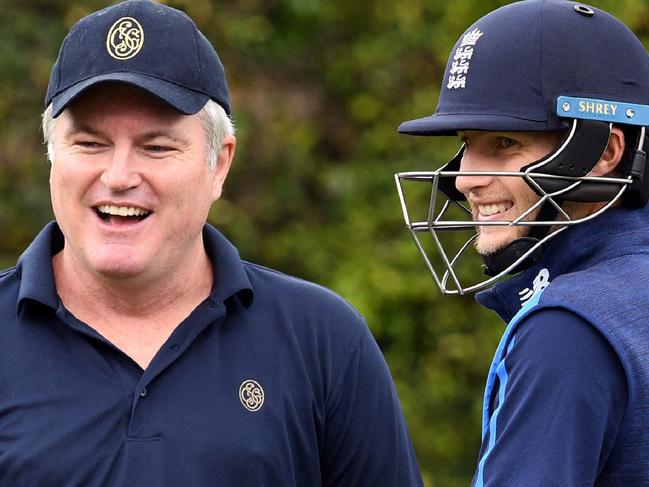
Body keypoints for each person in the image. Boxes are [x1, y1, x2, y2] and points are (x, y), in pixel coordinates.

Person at [0, 1, 423, 485]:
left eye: (156, 147)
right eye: (89, 144)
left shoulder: (324, 342)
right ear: (53, 155)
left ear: (218, 164)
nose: (118, 177)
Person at [395, 0, 649, 485]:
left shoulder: (568, 327)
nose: (466, 178)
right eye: (467, 142)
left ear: (605, 152)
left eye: (505, 144)